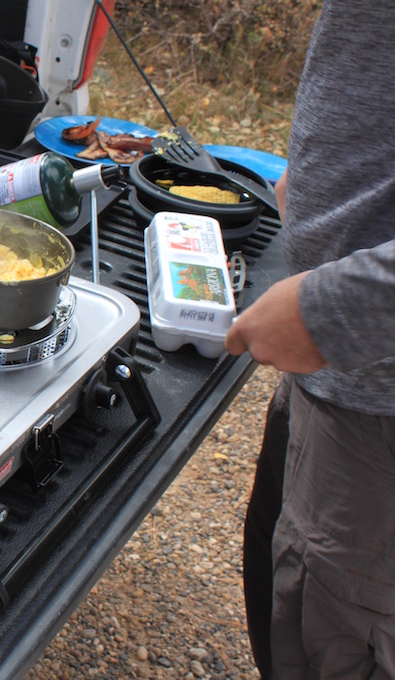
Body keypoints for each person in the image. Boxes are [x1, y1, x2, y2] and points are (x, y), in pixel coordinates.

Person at [223, 0, 395, 677]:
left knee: (337, 639)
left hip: (378, 402)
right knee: (284, 588)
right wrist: (324, 167)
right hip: (340, 378)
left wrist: (330, 311)